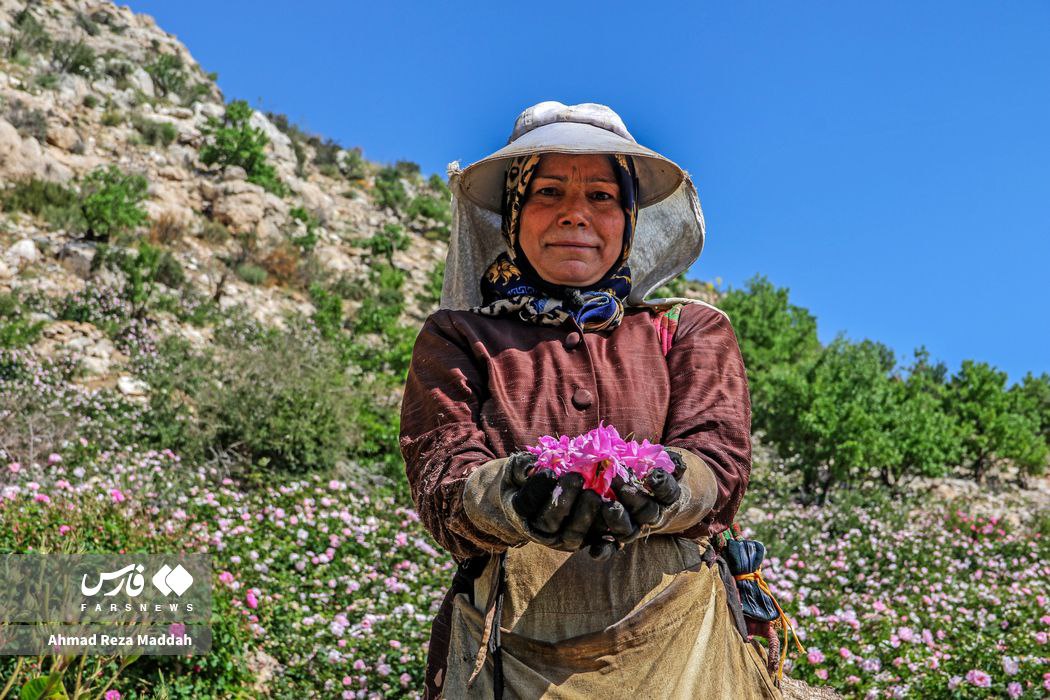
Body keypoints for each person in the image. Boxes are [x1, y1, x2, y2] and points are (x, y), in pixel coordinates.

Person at [400, 101, 780, 699]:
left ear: (629, 219)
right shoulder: (456, 339)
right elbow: (444, 482)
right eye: (549, 192)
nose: (575, 214)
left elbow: (720, 469)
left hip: (680, 654)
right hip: (506, 656)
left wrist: (666, 486)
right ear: (514, 214)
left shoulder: (689, 330)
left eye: (602, 196)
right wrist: (515, 492)